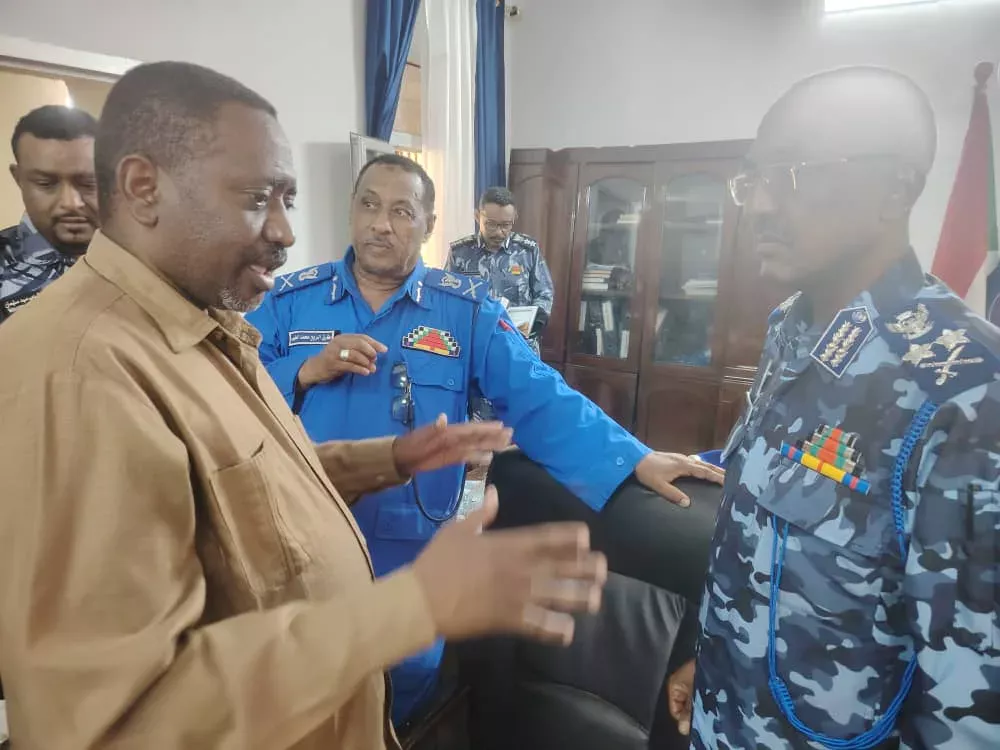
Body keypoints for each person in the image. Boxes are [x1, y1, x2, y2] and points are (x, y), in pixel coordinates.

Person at [0, 61, 612, 750]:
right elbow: (117, 722)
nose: (286, 232)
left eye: (288, 198)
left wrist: (387, 459)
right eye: (258, 197)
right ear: (144, 188)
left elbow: (241, 481)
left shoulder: (198, 321)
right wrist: (413, 605)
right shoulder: (81, 372)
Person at [247, 153, 725, 724]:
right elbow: (232, 390)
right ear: (351, 211)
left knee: (404, 700)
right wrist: (301, 371)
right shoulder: (287, 299)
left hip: (413, 546)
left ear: (428, 226)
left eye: (402, 211)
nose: (381, 223)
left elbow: (538, 397)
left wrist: (634, 457)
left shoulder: (463, 310)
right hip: (306, 540)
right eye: (369, 205)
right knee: (304, 693)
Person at [665, 67, 1000, 749]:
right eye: (753, 179)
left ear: (895, 189)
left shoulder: (967, 390)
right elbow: (757, 525)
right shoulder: (793, 325)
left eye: (793, 173)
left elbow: (971, 710)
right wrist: (716, 655)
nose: (758, 206)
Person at [1, 104, 98, 322]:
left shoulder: (145, 261)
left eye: (88, 183)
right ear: (19, 179)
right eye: (46, 183)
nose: (70, 203)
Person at [445, 186, 554, 355]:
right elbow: (447, 296)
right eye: (491, 224)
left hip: (519, 345)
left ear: (514, 218)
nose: (499, 232)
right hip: (474, 345)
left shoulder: (528, 250)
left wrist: (535, 321)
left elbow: (545, 293)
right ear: (477, 216)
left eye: (505, 225)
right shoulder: (460, 252)